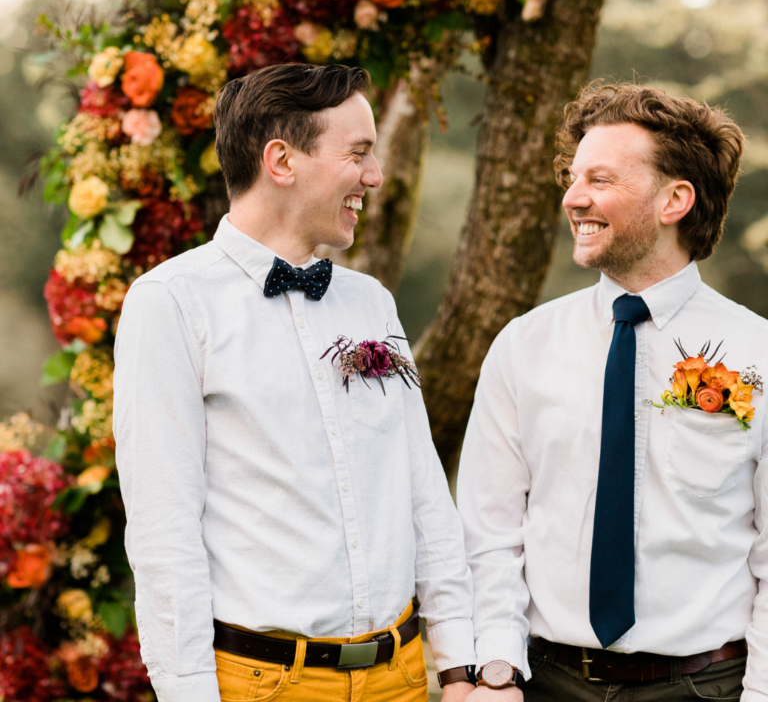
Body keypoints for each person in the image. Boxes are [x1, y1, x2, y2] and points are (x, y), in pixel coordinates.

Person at [114, 64, 477, 702]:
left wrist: (459, 667)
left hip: (402, 679)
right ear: (281, 160)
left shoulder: (372, 304)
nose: (375, 175)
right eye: (359, 153)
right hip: (264, 685)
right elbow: (163, 530)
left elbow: (423, 495)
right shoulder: (169, 303)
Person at [457, 82, 768, 701]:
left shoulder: (758, 354)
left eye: (600, 179)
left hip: (705, 687)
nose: (573, 198)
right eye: (573, 179)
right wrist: (495, 668)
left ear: (674, 199)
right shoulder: (523, 346)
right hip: (542, 683)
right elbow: (489, 532)